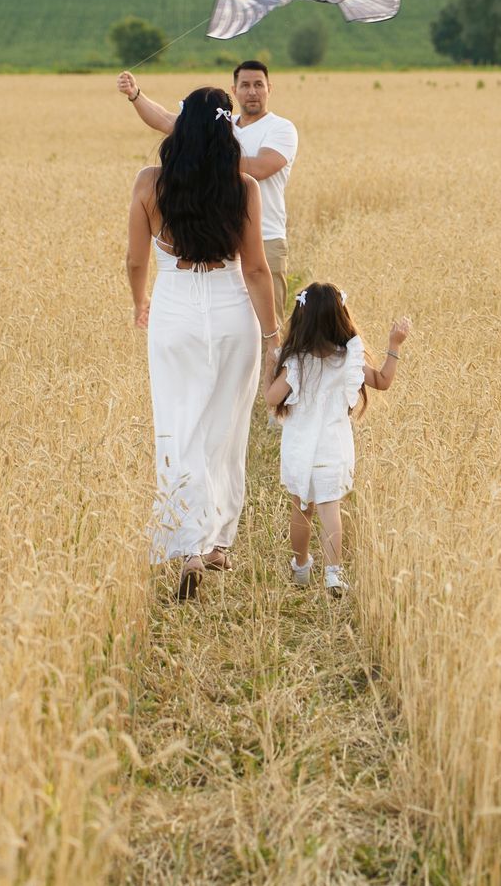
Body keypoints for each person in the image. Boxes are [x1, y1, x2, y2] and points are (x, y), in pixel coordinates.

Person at [125, 85, 281, 600]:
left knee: (178, 426)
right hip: (232, 308)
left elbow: (134, 260)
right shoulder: (243, 189)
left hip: (174, 310)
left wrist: (139, 301)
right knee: (225, 429)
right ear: (226, 129)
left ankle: (187, 544)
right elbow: (257, 269)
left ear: (180, 127)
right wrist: (273, 335)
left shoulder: (150, 183)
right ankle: (217, 545)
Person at [263, 282, 410, 597]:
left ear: (302, 321)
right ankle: (333, 574)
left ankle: (301, 566)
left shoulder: (296, 363)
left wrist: (268, 369)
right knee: (330, 510)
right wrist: (394, 345)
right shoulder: (349, 359)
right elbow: (383, 380)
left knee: (302, 508)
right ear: (339, 319)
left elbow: (270, 397)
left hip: (301, 449)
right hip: (334, 447)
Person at [118, 61, 296, 317]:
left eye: (258, 85)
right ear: (234, 90)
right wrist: (135, 94)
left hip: (266, 237)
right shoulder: (216, 124)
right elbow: (163, 119)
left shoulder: (281, 128)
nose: (252, 91)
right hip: (222, 239)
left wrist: (204, 153)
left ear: (270, 88)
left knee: (266, 322)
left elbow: (260, 168)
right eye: (245, 85)